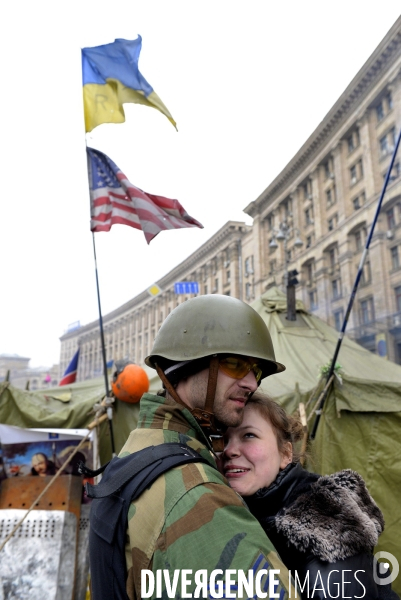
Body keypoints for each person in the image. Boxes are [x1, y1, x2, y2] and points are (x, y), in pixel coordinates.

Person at [89, 294, 296, 600]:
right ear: (189, 364)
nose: (252, 383)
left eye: (257, 371)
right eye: (236, 364)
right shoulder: (197, 495)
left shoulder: (136, 452)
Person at [222, 392, 399, 600]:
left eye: (248, 435)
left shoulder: (323, 524)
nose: (229, 450)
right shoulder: (233, 511)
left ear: (286, 454)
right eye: (222, 440)